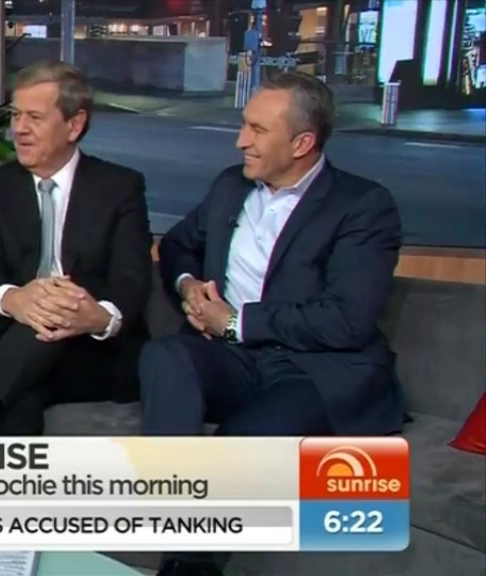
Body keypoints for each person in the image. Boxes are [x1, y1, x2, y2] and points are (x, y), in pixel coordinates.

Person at [139, 72, 405, 576]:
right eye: (245, 125)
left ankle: (186, 565)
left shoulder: (363, 206)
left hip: (313, 372)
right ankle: (182, 546)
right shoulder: (230, 186)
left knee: (239, 444)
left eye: (258, 130)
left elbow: (347, 319)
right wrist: (188, 285)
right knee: (164, 355)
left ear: (302, 143)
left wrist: (236, 322)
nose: (241, 141)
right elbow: (178, 245)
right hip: (231, 361)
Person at [0, 60, 153, 436]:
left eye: (34, 118)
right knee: (25, 389)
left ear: (74, 124)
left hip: (85, 351)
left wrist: (96, 316)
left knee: (51, 318)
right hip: (5, 339)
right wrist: (16, 300)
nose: (19, 129)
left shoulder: (120, 187)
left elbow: (131, 278)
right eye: (16, 115)